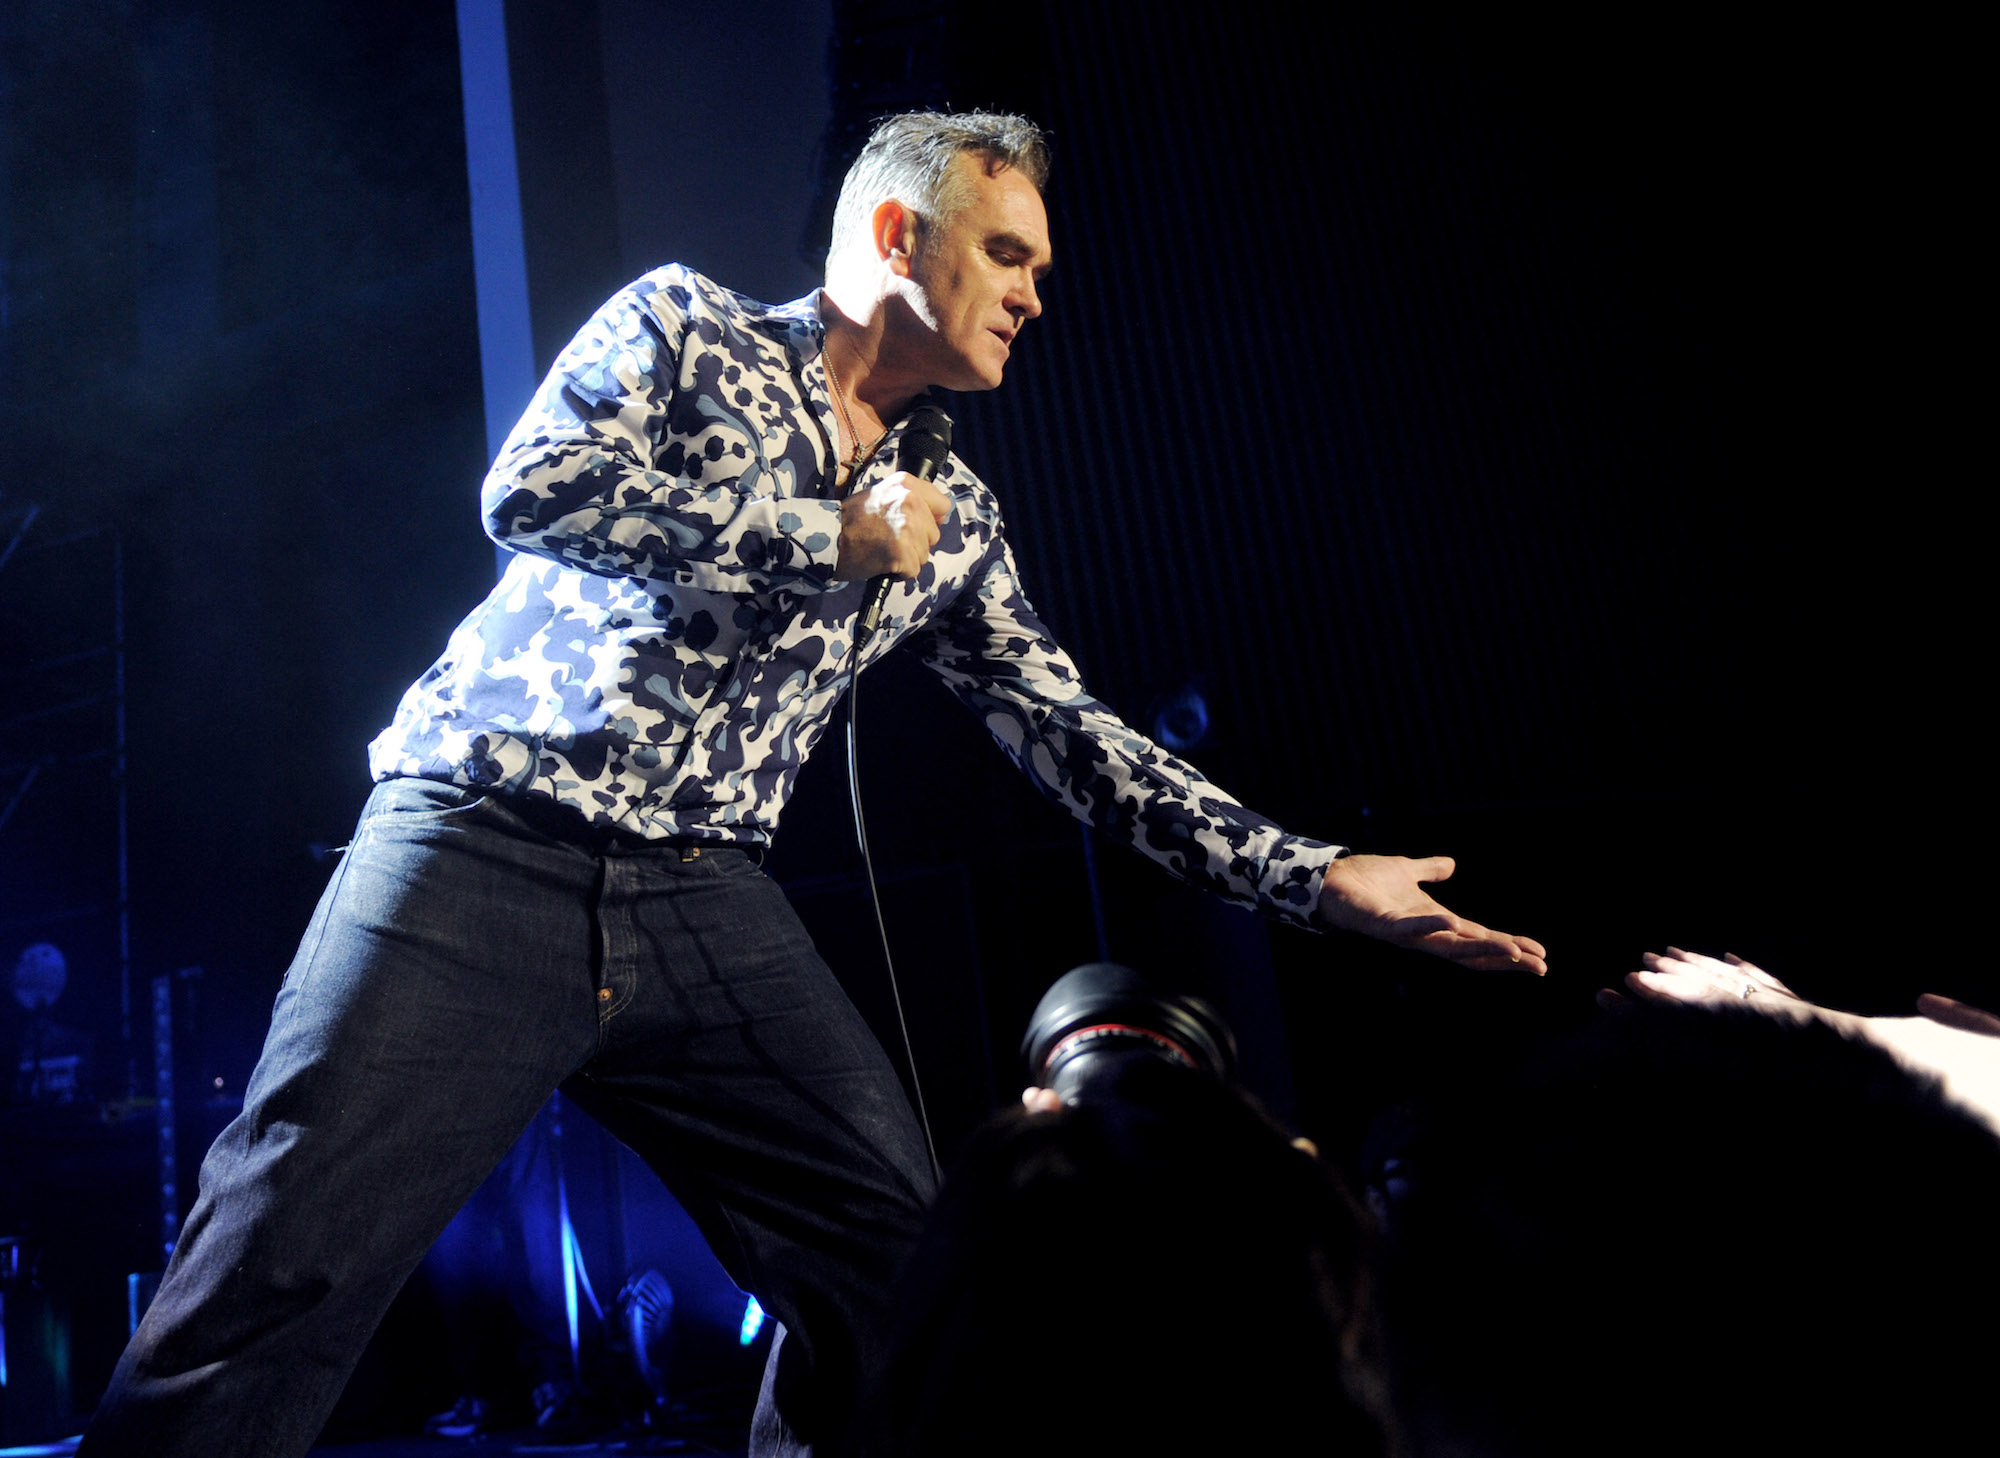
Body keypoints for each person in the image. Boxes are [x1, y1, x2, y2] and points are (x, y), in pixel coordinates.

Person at [79, 112, 1544, 1458]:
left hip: (701, 892)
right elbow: (531, 488)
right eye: (1008, 254)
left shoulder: (959, 518)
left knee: (906, 1274)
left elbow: (1076, 736)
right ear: (900, 235)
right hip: (478, 840)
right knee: (280, 1257)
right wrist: (822, 534)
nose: (1035, 295)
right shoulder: (684, 325)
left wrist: (1310, 873)